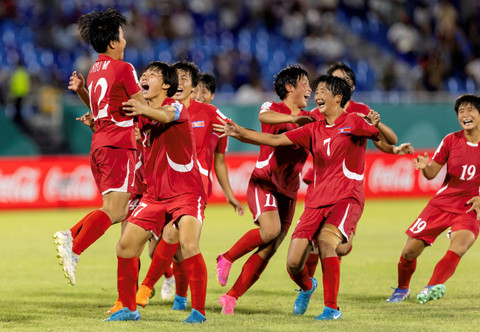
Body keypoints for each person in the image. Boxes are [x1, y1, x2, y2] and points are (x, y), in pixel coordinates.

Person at [214, 74, 397, 320]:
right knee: (292, 262)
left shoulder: (354, 121)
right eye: (314, 90)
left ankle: (331, 309)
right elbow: (275, 139)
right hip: (313, 200)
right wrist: (239, 133)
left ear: (338, 97)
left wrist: (379, 124)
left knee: (326, 242)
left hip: (346, 197)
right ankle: (308, 286)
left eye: (322, 91)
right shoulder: (312, 127)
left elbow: (390, 140)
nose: (317, 95)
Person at [133, 61, 244, 312]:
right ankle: (174, 291)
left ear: (194, 86)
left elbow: (225, 146)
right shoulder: (158, 108)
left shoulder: (207, 112)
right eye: (177, 78)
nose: (181, 83)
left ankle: (153, 288)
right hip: (161, 187)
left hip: (192, 187)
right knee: (162, 250)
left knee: (176, 239)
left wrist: (229, 193)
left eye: (186, 79)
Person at [104, 61, 208, 323]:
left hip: (186, 193)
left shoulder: (176, 107)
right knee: (125, 246)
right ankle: (128, 308)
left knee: (188, 244)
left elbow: (165, 116)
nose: (144, 77)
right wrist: (84, 95)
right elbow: (110, 119)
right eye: (143, 74)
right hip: (155, 195)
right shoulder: (141, 115)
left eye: (152, 74)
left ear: (165, 85)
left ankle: (198, 312)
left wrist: (141, 108)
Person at [54, 8, 146, 286]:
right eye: (122, 35)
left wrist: (82, 91)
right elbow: (142, 105)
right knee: (117, 211)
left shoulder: (94, 70)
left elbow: (98, 109)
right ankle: (72, 241)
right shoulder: (124, 68)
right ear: (113, 43)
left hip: (100, 146)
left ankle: (71, 238)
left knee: (118, 209)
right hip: (119, 146)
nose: (126, 40)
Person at [215, 65, 315, 315]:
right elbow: (264, 119)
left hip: (289, 194)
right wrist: (294, 119)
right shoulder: (272, 107)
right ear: (290, 87)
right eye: (305, 83)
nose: (310, 89)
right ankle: (226, 257)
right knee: (269, 231)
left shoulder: (312, 118)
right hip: (264, 182)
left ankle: (231, 297)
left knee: (269, 249)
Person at [302, 61, 414, 276]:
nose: (336, 84)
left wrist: (394, 149)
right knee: (314, 240)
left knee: (339, 246)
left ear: (351, 87)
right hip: (320, 183)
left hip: (347, 187)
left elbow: (380, 139)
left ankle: (332, 267)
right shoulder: (317, 112)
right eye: (332, 80)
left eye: (342, 80)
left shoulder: (360, 111)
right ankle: (307, 286)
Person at [386, 94, 480, 304]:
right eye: (461, 111)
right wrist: (424, 167)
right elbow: (431, 173)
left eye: (470, 110)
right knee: (409, 251)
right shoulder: (450, 140)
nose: (465, 115)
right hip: (442, 203)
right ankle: (402, 289)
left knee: (459, 247)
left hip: (470, 207)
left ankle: (431, 287)